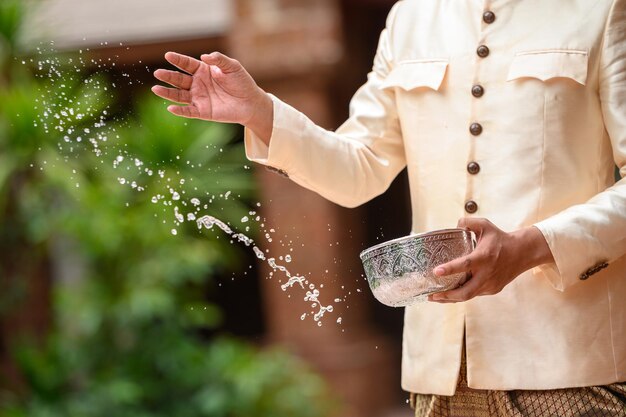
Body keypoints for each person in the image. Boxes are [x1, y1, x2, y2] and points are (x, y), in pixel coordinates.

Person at [152, 0, 626, 415]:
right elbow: (357, 167)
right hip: (438, 373)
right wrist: (260, 111)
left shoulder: (601, 10)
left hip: (567, 361)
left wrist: (535, 246)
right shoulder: (409, 18)